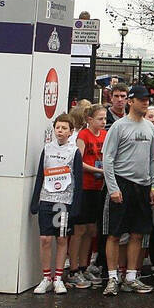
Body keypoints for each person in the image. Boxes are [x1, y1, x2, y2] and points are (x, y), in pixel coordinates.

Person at [100, 84, 154, 296]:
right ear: (131, 101)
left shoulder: (149, 127)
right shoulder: (118, 127)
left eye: (148, 100)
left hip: (142, 186)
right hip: (122, 184)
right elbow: (107, 159)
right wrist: (113, 188)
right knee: (115, 233)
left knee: (137, 233)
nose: (146, 103)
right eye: (142, 99)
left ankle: (132, 276)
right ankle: (112, 277)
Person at [29, 114, 84, 295]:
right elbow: (40, 175)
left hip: (63, 201)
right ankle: (46, 277)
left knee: (61, 239)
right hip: (47, 198)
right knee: (45, 239)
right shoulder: (47, 148)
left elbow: (78, 179)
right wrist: (35, 199)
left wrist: (76, 205)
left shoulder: (74, 151)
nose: (60, 131)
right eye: (58, 128)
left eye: (64, 128)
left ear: (71, 132)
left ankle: (58, 277)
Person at [68, 105, 107, 288]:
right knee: (79, 230)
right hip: (84, 186)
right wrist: (99, 170)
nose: (103, 122)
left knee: (91, 229)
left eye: (105, 118)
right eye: (100, 118)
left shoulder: (105, 135)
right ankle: (73, 269)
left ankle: (84, 266)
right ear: (89, 119)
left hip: (98, 187)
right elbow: (79, 162)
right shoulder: (83, 136)